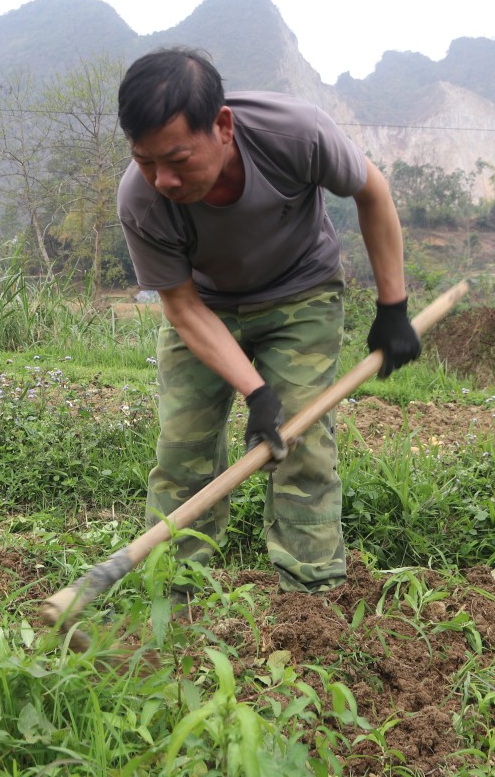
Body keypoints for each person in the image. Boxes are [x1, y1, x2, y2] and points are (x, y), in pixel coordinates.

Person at [115, 46, 421, 594]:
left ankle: (312, 599)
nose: (162, 179)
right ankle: (168, 599)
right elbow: (183, 308)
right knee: (183, 450)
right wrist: (256, 392)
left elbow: (373, 192)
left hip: (300, 293)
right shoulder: (141, 199)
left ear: (223, 126)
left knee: (302, 442)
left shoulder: (295, 134)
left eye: (178, 159)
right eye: (145, 159)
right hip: (207, 310)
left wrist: (393, 308)